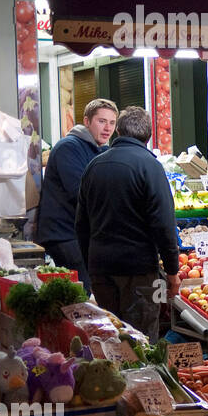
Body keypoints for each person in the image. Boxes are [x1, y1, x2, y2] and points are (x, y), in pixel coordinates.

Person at [75, 106, 179, 341]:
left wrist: (91, 261)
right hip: (141, 272)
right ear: (148, 135)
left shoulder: (94, 166)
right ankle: (141, 379)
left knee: (109, 336)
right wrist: (172, 272)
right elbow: (163, 224)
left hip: (101, 269)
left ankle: (115, 376)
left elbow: (81, 224)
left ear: (118, 131)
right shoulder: (151, 166)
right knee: (142, 339)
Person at [36, 98, 116, 293]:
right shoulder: (69, 147)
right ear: (87, 121)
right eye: (101, 121)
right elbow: (80, 192)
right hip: (63, 235)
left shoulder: (102, 150)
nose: (107, 128)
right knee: (85, 291)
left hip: (82, 235)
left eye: (112, 123)